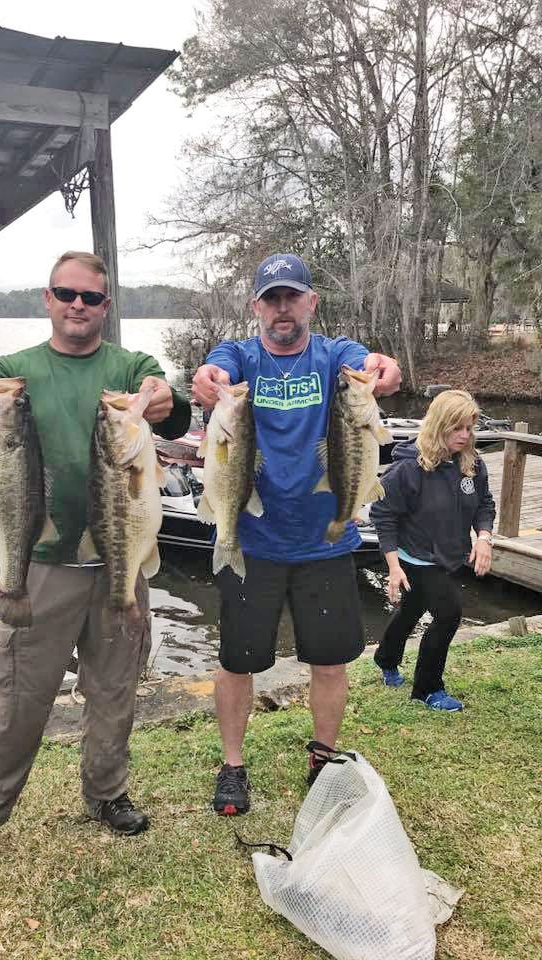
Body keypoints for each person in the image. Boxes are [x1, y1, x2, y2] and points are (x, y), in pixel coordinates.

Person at [0, 251, 191, 883]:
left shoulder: (129, 367)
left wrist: (163, 402)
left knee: (114, 691)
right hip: (39, 563)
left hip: (119, 561)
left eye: (92, 298)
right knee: (13, 700)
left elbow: (173, 408)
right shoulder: (11, 373)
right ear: (47, 299)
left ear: (107, 306)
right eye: (65, 293)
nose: (78, 305)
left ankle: (106, 792)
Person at [191, 252, 401, 815]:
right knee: (237, 662)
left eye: (292, 297)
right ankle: (233, 764)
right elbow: (215, 368)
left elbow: (376, 364)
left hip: (326, 543)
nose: (282, 309)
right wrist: (208, 379)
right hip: (253, 540)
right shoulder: (242, 356)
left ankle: (324, 757)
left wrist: (383, 368)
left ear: (311, 301)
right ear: (256, 306)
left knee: (329, 661)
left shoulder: (336, 358)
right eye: (271, 298)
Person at [370, 389, 495, 710]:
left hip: (450, 555)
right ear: (439, 425)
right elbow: (382, 514)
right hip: (416, 557)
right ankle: (428, 688)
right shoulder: (409, 470)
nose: (465, 436)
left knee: (411, 609)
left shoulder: (472, 464)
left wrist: (483, 537)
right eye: (457, 428)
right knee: (449, 614)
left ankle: (385, 658)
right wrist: (394, 567)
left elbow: (484, 503)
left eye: (469, 428)